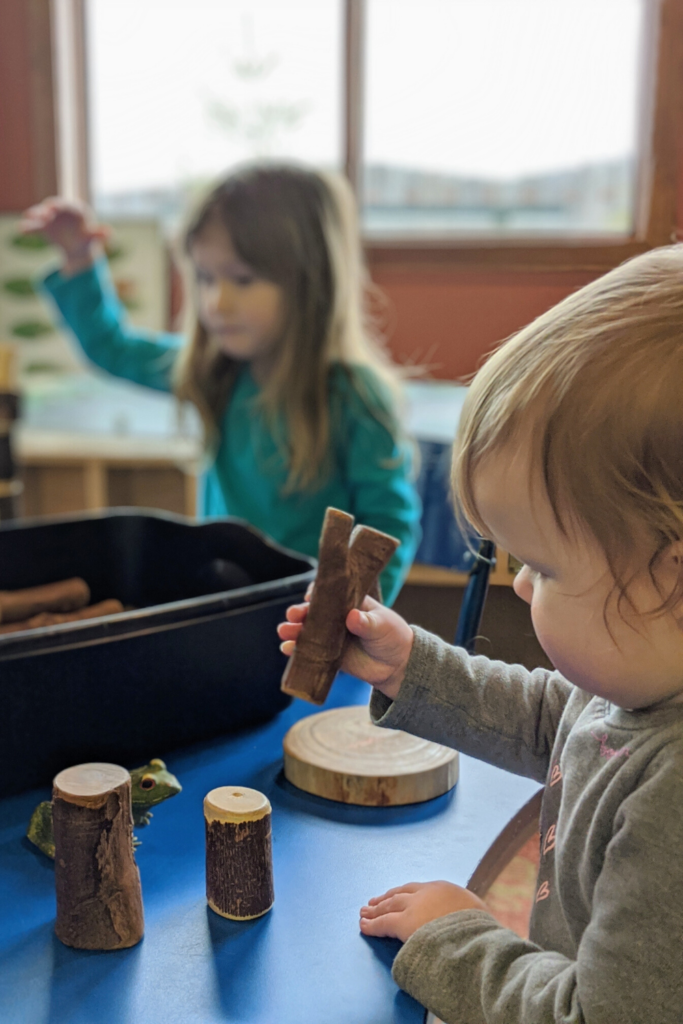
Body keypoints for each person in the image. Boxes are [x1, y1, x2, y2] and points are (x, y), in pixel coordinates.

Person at [278, 244, 683, 1023]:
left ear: (672, 577)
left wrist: (458, 937)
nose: (519, 585)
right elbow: (552, 720)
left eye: (541, 567)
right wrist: (408, 667)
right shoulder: (639, 688)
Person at [23, 165, 421, 605]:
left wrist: (349, 613)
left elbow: (388, 524)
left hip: (306, 622)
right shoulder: (216, 370)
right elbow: (112, 347)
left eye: (243, 279)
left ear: (311, 281)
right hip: (220, 604)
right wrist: (80, 258)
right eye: (206, 277)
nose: (217, 302)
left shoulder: (355, 395)